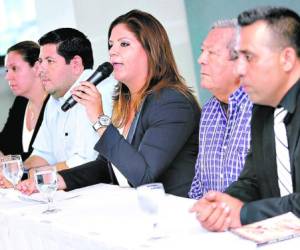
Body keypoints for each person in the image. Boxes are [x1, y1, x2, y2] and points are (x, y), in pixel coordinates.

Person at [19, 9, 201, 197]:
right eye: (111, 45)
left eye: (124, 44)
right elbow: (106, 167)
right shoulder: (125, 100)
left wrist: (100, 121)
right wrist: (55, 180)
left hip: (174, 213)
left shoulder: (171, 103)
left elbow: (144, 176)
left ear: (150, 50)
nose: (113, 51)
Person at [190, 6, 300, 231]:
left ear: (287, 58)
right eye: (238, 57)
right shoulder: (262, 109)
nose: (239, 69)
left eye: (248, 57)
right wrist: (223, 204)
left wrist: (244, 214)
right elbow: (253, 180)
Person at [23, 28, 115, 172]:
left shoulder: (100, 92)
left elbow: (86, 162)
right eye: (40, 61)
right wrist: (16, 170)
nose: (40, 69)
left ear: (75, 64)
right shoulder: (55, 97)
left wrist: (36, 174)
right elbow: (43, 154)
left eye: (49, 61)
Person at [189, 19, 252, 200]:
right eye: (202, 51)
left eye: (212, 53)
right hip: (210, 223)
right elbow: (199, 183)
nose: (201, 59)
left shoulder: (262, 108)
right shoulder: (208, 110)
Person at [0, 41, 49, 160]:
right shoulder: (21, 102)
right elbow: (4, 145)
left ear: (37, 67)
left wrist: (9, 162)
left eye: (14, 68)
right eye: (7, 70)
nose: (7, 76)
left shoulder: (56, 104)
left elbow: (47, 158)